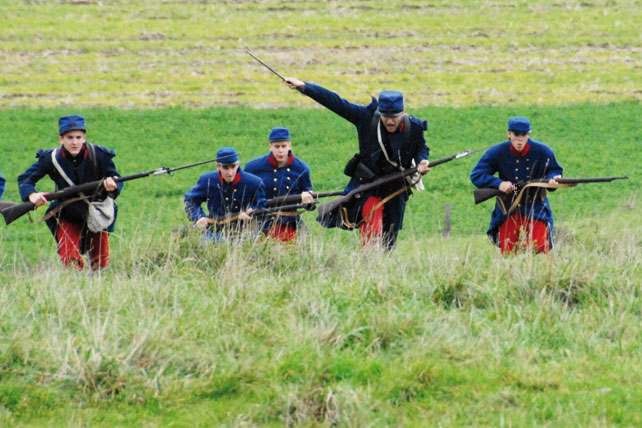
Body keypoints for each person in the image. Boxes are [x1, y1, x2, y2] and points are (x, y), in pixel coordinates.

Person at [284, 77, 431, 250]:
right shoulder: (366, 118)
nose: (390, 121)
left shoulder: (414, 127)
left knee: (391, 236)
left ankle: (384, 262)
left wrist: (422, 161)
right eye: (386, 116)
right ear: (380, 112)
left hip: (396, 187)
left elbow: (421, 148)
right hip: (369, 186)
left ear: (403, 112)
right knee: (371, 233)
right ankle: (368, 259)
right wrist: (305, 87)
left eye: (394, 117)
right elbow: (336, 103)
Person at [17, 115, 122, 270]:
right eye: (70, 137)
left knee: (100, 262)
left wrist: (112, 186)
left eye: (78, 137)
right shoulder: (51, 158)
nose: (74, 142)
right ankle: (74, 282)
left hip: (96, 211)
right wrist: (32, 195)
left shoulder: (100, 155)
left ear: (84, 138)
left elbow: (116, 179)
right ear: (61, 139)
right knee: (70, 260)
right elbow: (25, 179)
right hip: (67, 212)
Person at [470, 116, 563, 254]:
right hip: (508, 207)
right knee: (508, 251)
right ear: (509, 134)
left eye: (523, 135)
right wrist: (499, 184)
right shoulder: (496, 152)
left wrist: (552, 179)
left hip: (535, 205)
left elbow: (554, 170)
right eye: (516, 134)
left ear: (528, 134)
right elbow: (477, 174)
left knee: (539, 249)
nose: (520, 139)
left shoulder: (543, 151)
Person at [244, 127, 314, 242]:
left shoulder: (301, 168)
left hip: (290, 221)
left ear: (289, 146)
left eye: (283, 146)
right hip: (261, 221)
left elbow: (309, 197)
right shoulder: (253, 167)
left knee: (304, 244)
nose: (280, 150)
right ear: (270, 146)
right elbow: (243, 192)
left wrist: (308, 202)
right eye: (277, 146)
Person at [184, 147, 266, 242]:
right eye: (225, 168)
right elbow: (191, 200)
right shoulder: (207, 180)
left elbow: (261, 205)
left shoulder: (254, 182)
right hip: (214, 231)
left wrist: (250, 211)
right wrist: (199, 217)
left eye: (233, 167)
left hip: (245, 231)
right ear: (218, 166)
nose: (230, 173)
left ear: (238, 165)